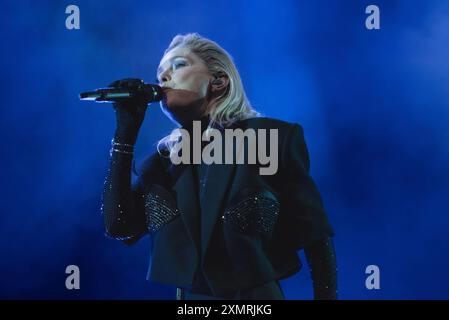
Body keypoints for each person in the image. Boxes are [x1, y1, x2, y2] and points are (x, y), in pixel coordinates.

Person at [101, 33, 337, 300]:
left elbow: (314, 233)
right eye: (161, 73)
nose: (165, 76)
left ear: (218, 81)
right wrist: (125, 134)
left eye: (178, 65)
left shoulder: (271, 138)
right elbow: (119, 226)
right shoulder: (160, 162)